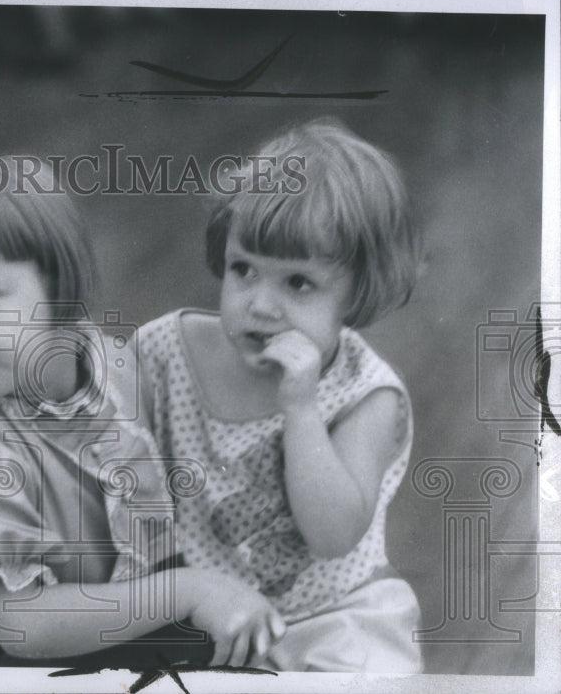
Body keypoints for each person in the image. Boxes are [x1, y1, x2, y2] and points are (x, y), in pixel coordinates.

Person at [0, 160, 286, 667]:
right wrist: (188, 591)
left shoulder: (108, 360)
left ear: (57, 287)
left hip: (142, 635)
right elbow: (17, 623)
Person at [137, 119, 425, 672]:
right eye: (243, 269)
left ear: (356, 293)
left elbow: (333, 534)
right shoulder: (163, 350)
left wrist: (301, 407)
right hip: (203, 616)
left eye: (297, 283)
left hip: (330, 618)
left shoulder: (368, 394)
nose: (261, 305)